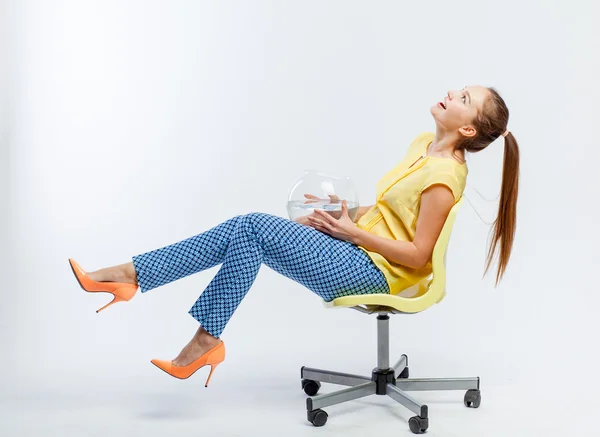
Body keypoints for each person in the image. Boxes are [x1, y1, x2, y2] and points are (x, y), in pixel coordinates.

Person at [69, 85, 519, 386]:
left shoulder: (445, 177)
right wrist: (339, 218)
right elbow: (386, 212)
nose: (450, 93)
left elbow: (420, 256)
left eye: (462, 98)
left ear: (467, 129)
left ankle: (145, 290)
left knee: (250, 228)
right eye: (458, 88)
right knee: (248, 230)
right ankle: (160, 302)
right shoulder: (423, 144)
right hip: (356, 250)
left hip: (378, 273)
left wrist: (353, 236)